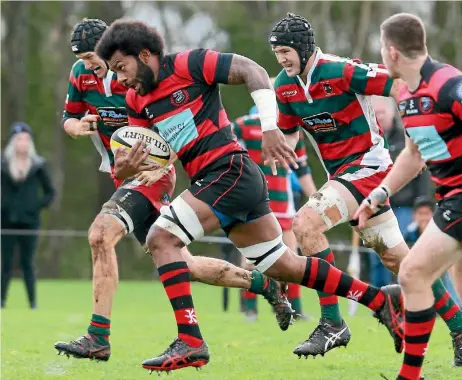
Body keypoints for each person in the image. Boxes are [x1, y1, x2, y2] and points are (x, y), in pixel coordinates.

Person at [95, 19, 401, 373]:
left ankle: (191, 341)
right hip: (224, 181)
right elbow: (151, 159)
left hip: (228, 171)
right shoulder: (136, 99)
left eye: (121, 67)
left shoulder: (189, 64)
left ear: (145, 55)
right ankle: (380, 300)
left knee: (161, 238)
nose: (119, 79)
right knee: (283, 266)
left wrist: (270, 127)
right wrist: (127, 169)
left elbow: (252, 70)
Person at [54, 18, 292, 363]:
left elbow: (170, 120)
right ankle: (261, 284)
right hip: (123, 174)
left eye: (95, 58)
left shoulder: (136, 78)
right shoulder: (82, 73)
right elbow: (69, 117)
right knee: (183, 263)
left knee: (100, 233)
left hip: (152, 175)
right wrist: (77, 128)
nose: (91, 66)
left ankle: (98, 337)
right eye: (87, 60)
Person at [268, 13, 462, 363]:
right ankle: (461, 324)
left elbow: (399, 84)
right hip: (344, 178)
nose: (282, 60)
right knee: (402, 263)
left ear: (304, 48)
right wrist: (280, 143)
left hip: (369, 169)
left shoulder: (342, 71)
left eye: (286, 51)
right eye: (277, 54)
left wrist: (416, 133)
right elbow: (288, 131)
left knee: (305, 225)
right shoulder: (284, 86)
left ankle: (332, 322)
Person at [355, 13, 462, 379]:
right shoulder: (405, 92)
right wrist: (380, 192)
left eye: (381, 51)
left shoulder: (449, 83)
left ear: (392, 51)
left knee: (413, 273)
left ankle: (410, 375)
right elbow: (413, 155)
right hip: (455, 198)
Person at [232, 104, 317, 321]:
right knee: (251, 257)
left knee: (291, 255)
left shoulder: (290, 129)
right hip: (252, 200)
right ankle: (249, 308)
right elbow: (229, 160)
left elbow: (302, 169)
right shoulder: (243, 126)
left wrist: (317, 199)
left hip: (283, 203)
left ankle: (294, 308)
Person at [1, 122, 55, 309]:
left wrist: (35, 206)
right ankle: (1, 300)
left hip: (30, 221)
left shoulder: (38, 166)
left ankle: (32, 302)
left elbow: (50, 192)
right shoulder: (3, 165)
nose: (22, 143)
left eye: (25, 139)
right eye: (18, 139)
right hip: (6, 220)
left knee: (27, 263)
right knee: (5, 263)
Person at [404, 197, 461, 307]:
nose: (424, 217)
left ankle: (455, 306)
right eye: (420, 213)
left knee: (450, 271)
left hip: (440, 266)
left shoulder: (441, 231)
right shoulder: (409, 234)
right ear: (414, 216)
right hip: (419, 269)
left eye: (427, 213)